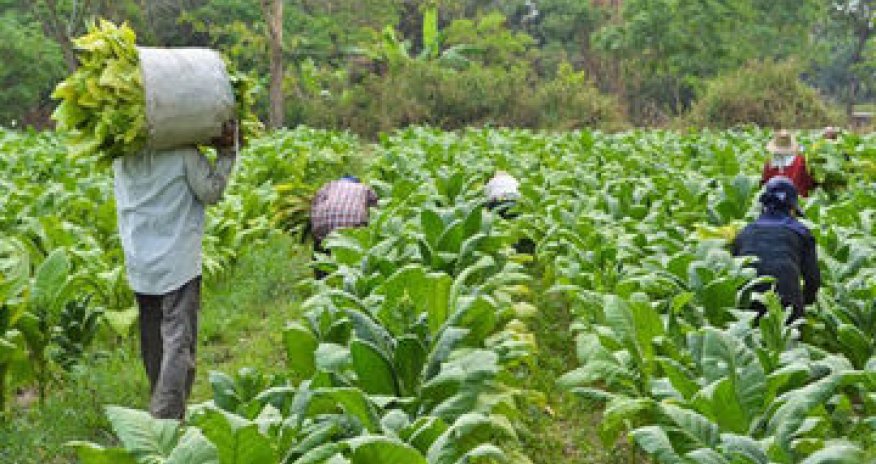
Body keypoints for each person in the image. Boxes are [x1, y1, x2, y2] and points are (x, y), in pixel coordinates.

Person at [114, 120, 240, 419]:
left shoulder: (122, 157)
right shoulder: (183, 154)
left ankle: (161, 400)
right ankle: (166, 417)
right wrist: (226, 155)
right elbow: (211, 192)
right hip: (177, 261)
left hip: (140, 260)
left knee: (152, 337)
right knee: (178, 340)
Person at [732, 176, 821, 323]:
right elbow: (813, 280)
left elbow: (734, 272)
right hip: (787, 304)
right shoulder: (801, 232)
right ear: (791, 208)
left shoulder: (744, 233)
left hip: (747, 304)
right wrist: (805, 305)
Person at [310, 176, 378, 278]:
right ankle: (353, 276)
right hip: (352, 226)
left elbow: (314, 205)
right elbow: (375, 211)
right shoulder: (364, 188)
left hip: (323, 226)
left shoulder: (328, 186)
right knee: (356, 248)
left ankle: (322, 279)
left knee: (320, 249)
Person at [762, 129, 814, 197]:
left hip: (775, 203)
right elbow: (808, 182)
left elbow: (765, 184)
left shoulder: (769, 163)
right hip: (798, 201)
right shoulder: (800, 160)